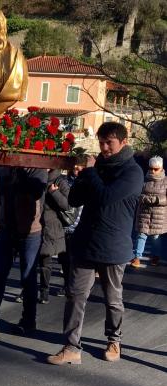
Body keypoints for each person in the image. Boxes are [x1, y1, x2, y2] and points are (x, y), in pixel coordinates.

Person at [48, 122, 144, 366]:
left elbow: (105, 198)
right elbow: (74, 199)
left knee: (113, 299)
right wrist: (81, 178)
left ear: (123, 142)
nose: (103, 148)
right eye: (101, 142)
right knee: (75, 296)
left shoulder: (132, 172)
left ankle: (114, 339)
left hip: (113, 246)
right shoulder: (97, 167)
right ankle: (71, 346)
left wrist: (90, 173)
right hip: (85, 243)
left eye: (108, 142)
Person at [0, 167, 47, 336]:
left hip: (30, 231)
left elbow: (36, 192)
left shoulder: (37, 170)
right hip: (6, 228)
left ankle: (29, 320)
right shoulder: (3, 169)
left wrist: (19, 176)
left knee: (28, 277)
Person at [38, 169, 70, 304]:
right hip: (37, 225)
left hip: (53, 227)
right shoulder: (37, 177)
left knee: (59, 259)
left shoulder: (60, 181)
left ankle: (66, 286)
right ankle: (41, 291)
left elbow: (67, 204)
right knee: (41, 261)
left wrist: (54, 192)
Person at [131, 156, 167, 267]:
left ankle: (155, 256)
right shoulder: (143, 179)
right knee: (141, 235)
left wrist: (157, 200)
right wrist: (143, 198)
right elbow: (136, 193)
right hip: (144, 213)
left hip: (158, 215)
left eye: (156, 169)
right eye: (151, 168)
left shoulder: (166, 181)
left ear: (161, 168)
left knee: (156, 237)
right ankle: (137, 257)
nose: (153, 171)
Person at [56, 162, 85, 297]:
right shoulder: (64, 181)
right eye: (74, 165)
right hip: (65, 225)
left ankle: (75, 287)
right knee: (64, 259)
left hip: (80, 226)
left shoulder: (88, 181)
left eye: (80, 166)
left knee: (76, 260)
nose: (76, 168)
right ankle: (67, 284)